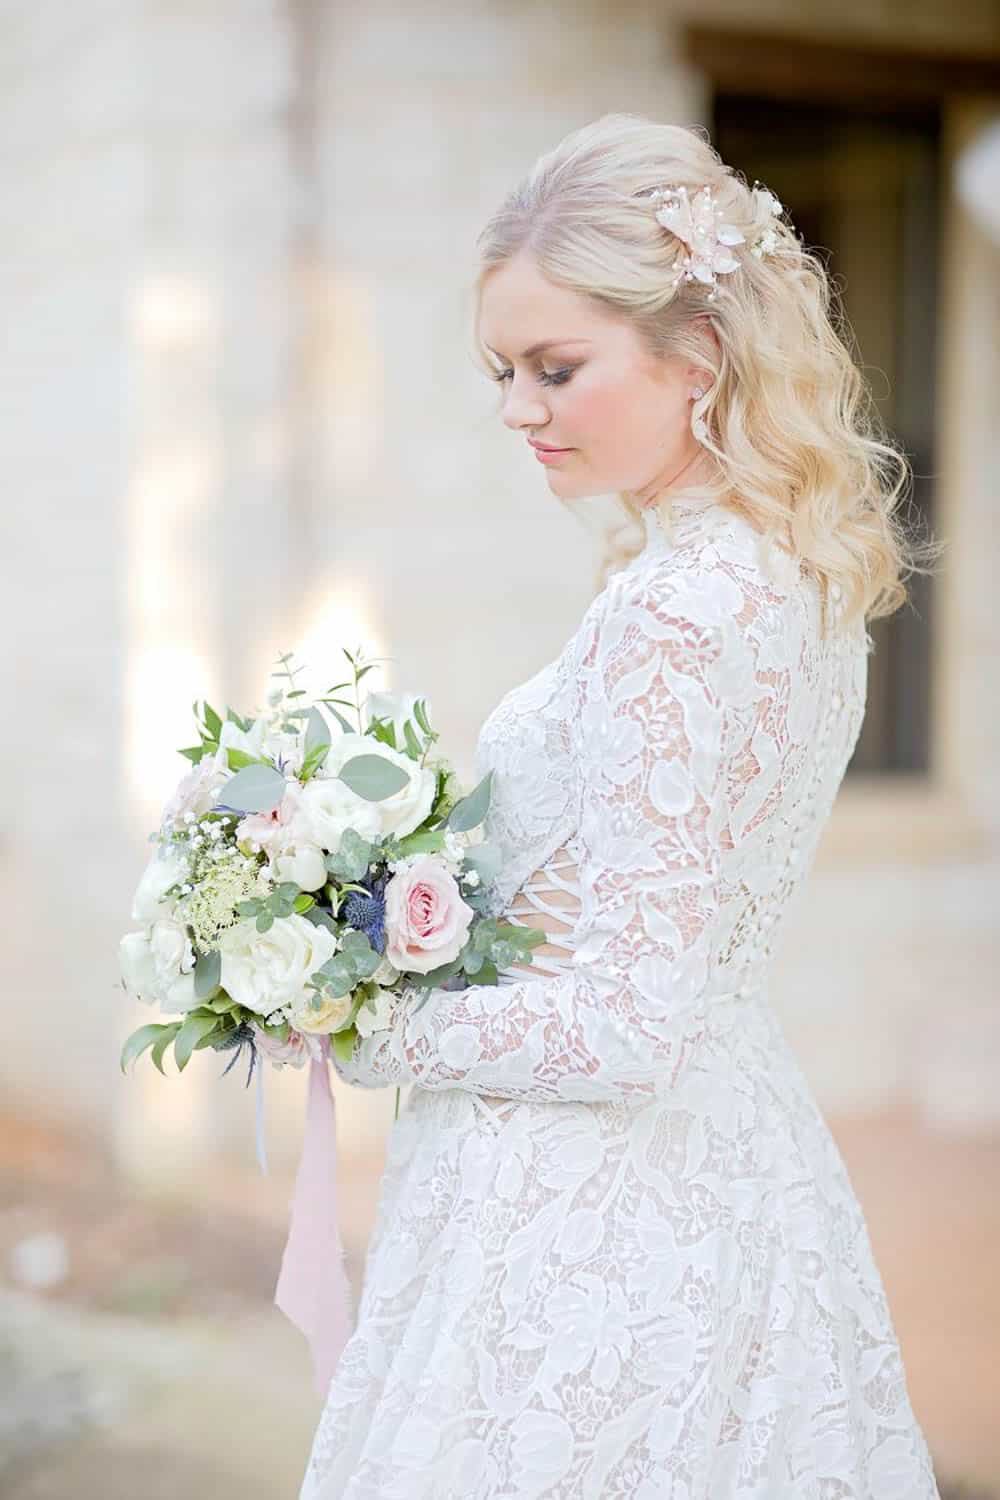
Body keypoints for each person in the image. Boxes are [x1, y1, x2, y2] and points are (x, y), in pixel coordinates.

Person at [297, 113, 942, 1499]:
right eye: (503, 373)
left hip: (593, 1227)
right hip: (732, 1171)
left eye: (556, 368)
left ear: (696, 356)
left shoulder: (675, 616)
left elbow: (628, 1023)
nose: (519, 408)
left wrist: (367, 1021)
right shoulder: (789, 578)